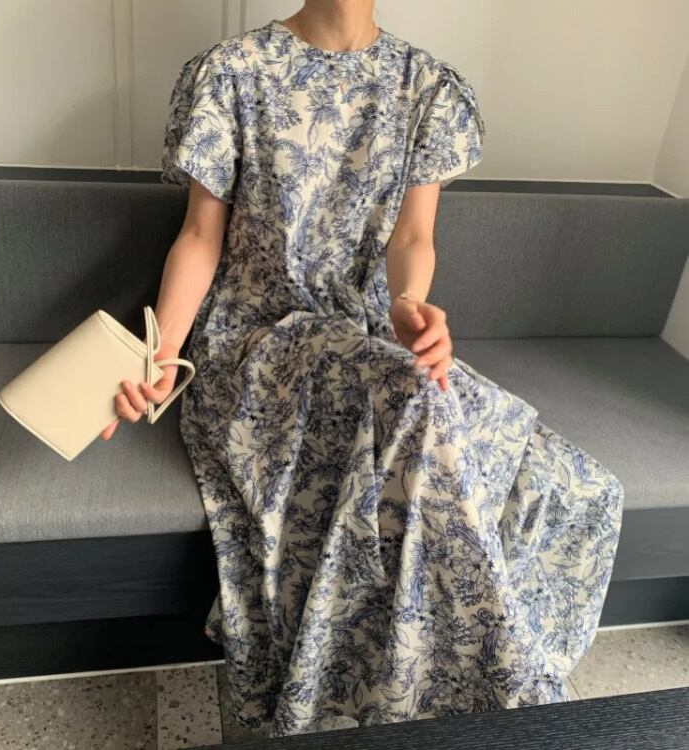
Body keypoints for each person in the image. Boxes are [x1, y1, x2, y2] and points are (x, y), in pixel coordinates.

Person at [100, 1, 625, 738]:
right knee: (417, 405)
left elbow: (413, 237)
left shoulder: (428, 86)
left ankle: (441, 696)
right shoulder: (233, 71)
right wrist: (161, 356)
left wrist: (410, 304)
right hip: (258, 346)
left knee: (568, 480)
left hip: (369, 341)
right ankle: (511, 709)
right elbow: (198, 236)